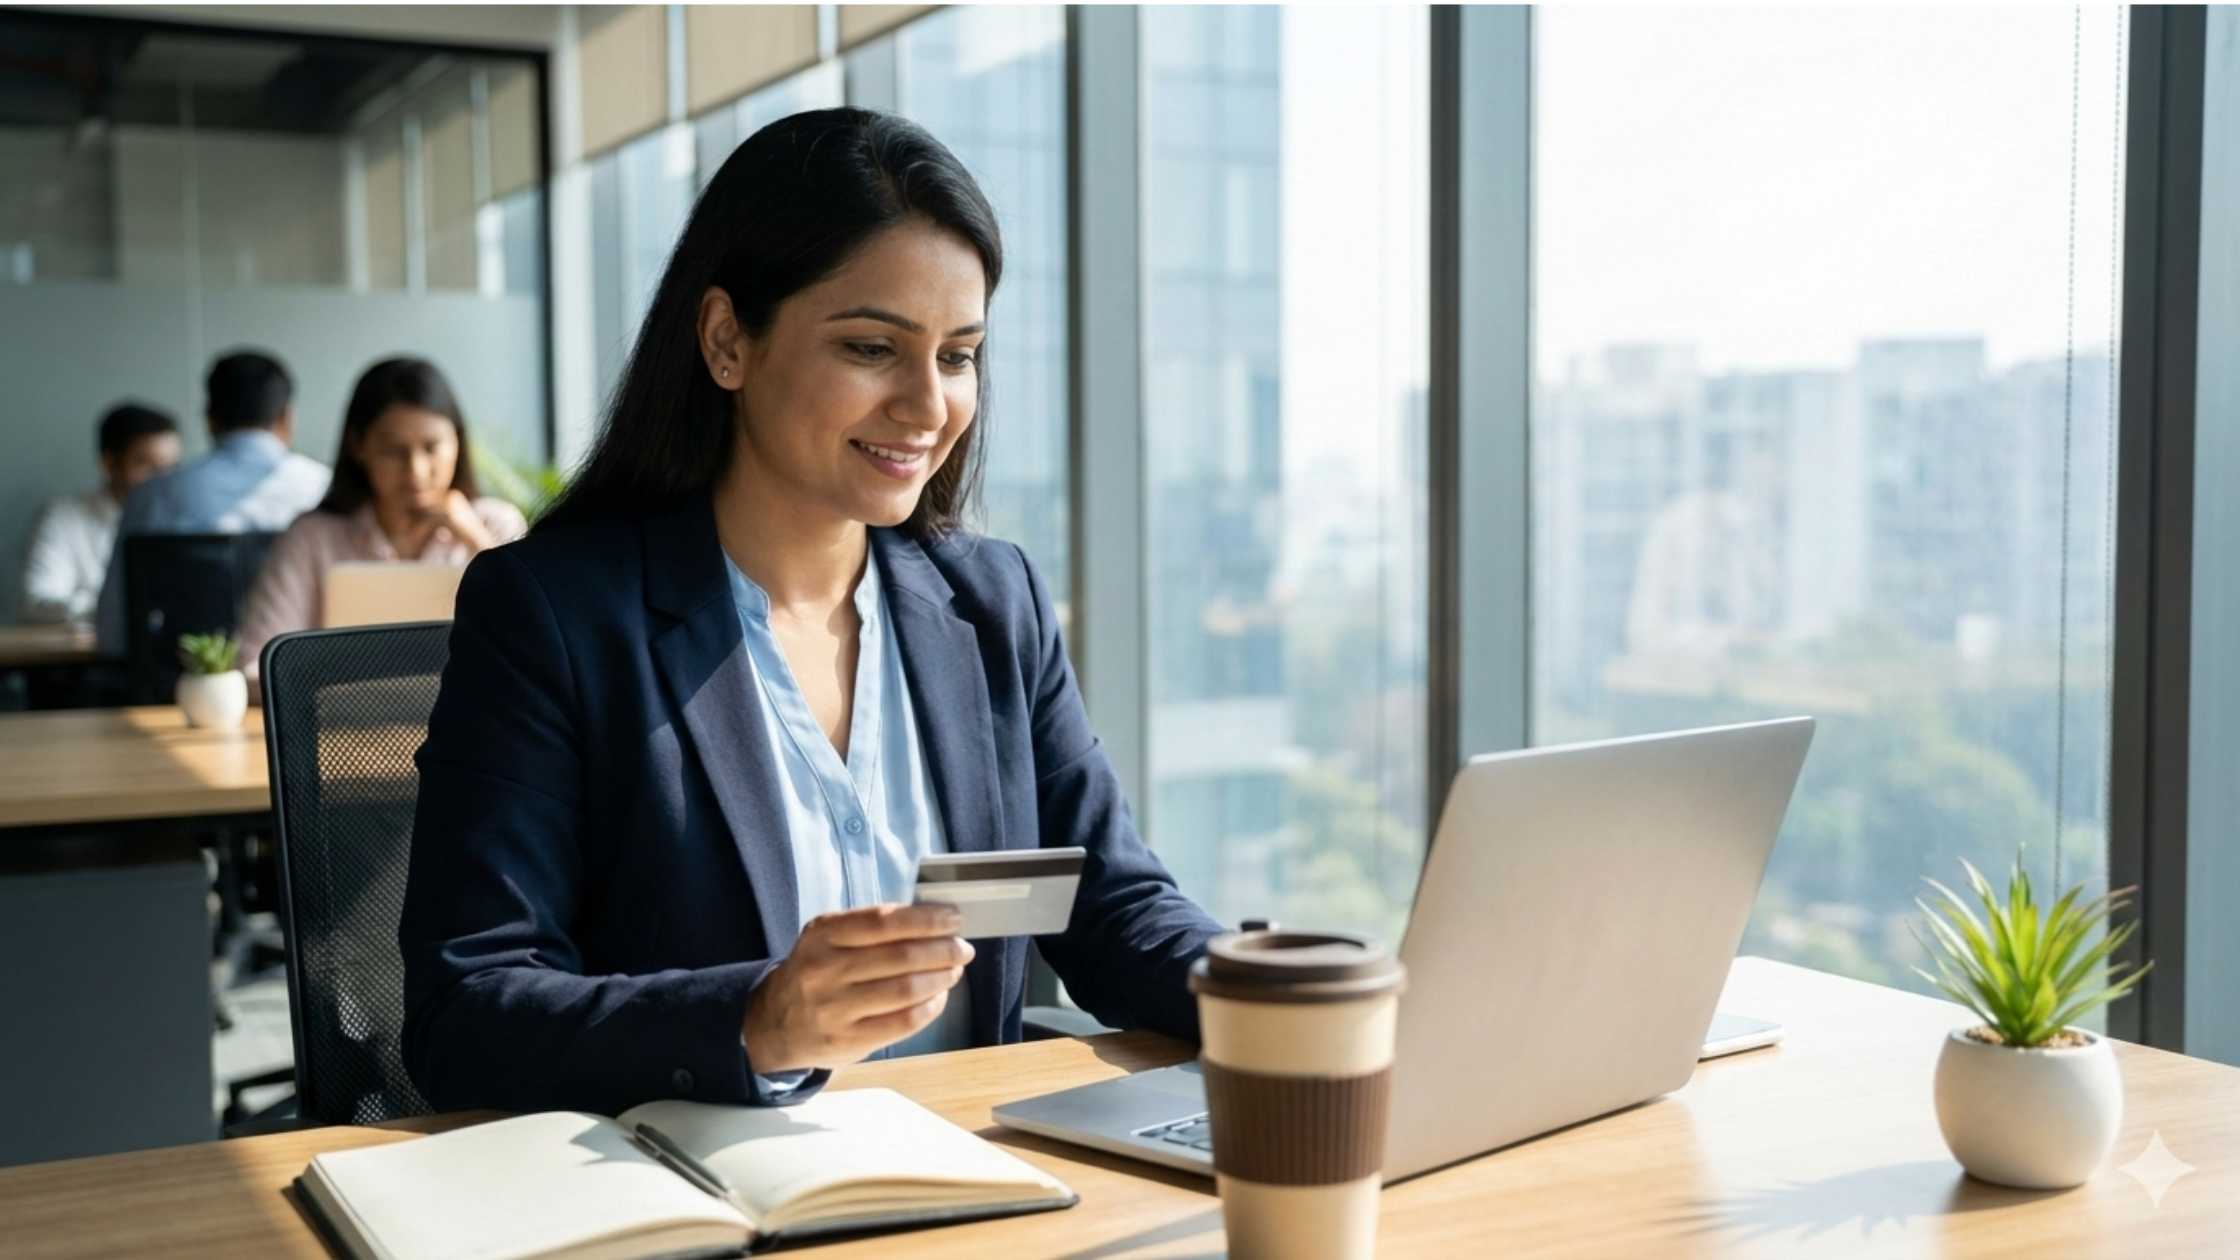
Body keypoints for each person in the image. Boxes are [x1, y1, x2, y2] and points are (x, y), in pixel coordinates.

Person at [399, 108, 1225, 1116]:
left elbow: (1115, 905)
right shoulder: (554, 617)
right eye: (873, 348)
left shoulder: (992, 605)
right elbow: (465, 1014)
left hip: (980, 1171)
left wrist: (1275, 994)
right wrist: (754, 1021)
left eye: (958, 356)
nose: (928, 406)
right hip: (703, 1181)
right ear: (726, 341)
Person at [234, 357, 526, 690]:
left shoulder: (496, 525)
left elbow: (536, 648)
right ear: (358, 446)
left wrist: (475, 539)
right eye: (393, 450)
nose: (416, 470)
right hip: (341, 721)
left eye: (432, 448)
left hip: (473, 719)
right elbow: (253, 667)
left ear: (458, 442)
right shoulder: (312, 538)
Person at [93, 350, 331, 655]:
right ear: (287, 418)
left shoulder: (153, 496)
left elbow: (113, 633)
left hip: (182, 680)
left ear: (210, 419)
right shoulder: (326, 489)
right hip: (299, 678)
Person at [19, 403, 181, 624]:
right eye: (147, 466)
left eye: (172, 467)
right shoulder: (63, 518)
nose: (163, 480)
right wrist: (118, 608)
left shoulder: (183, 519)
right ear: (109, 463)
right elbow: (37, 602)